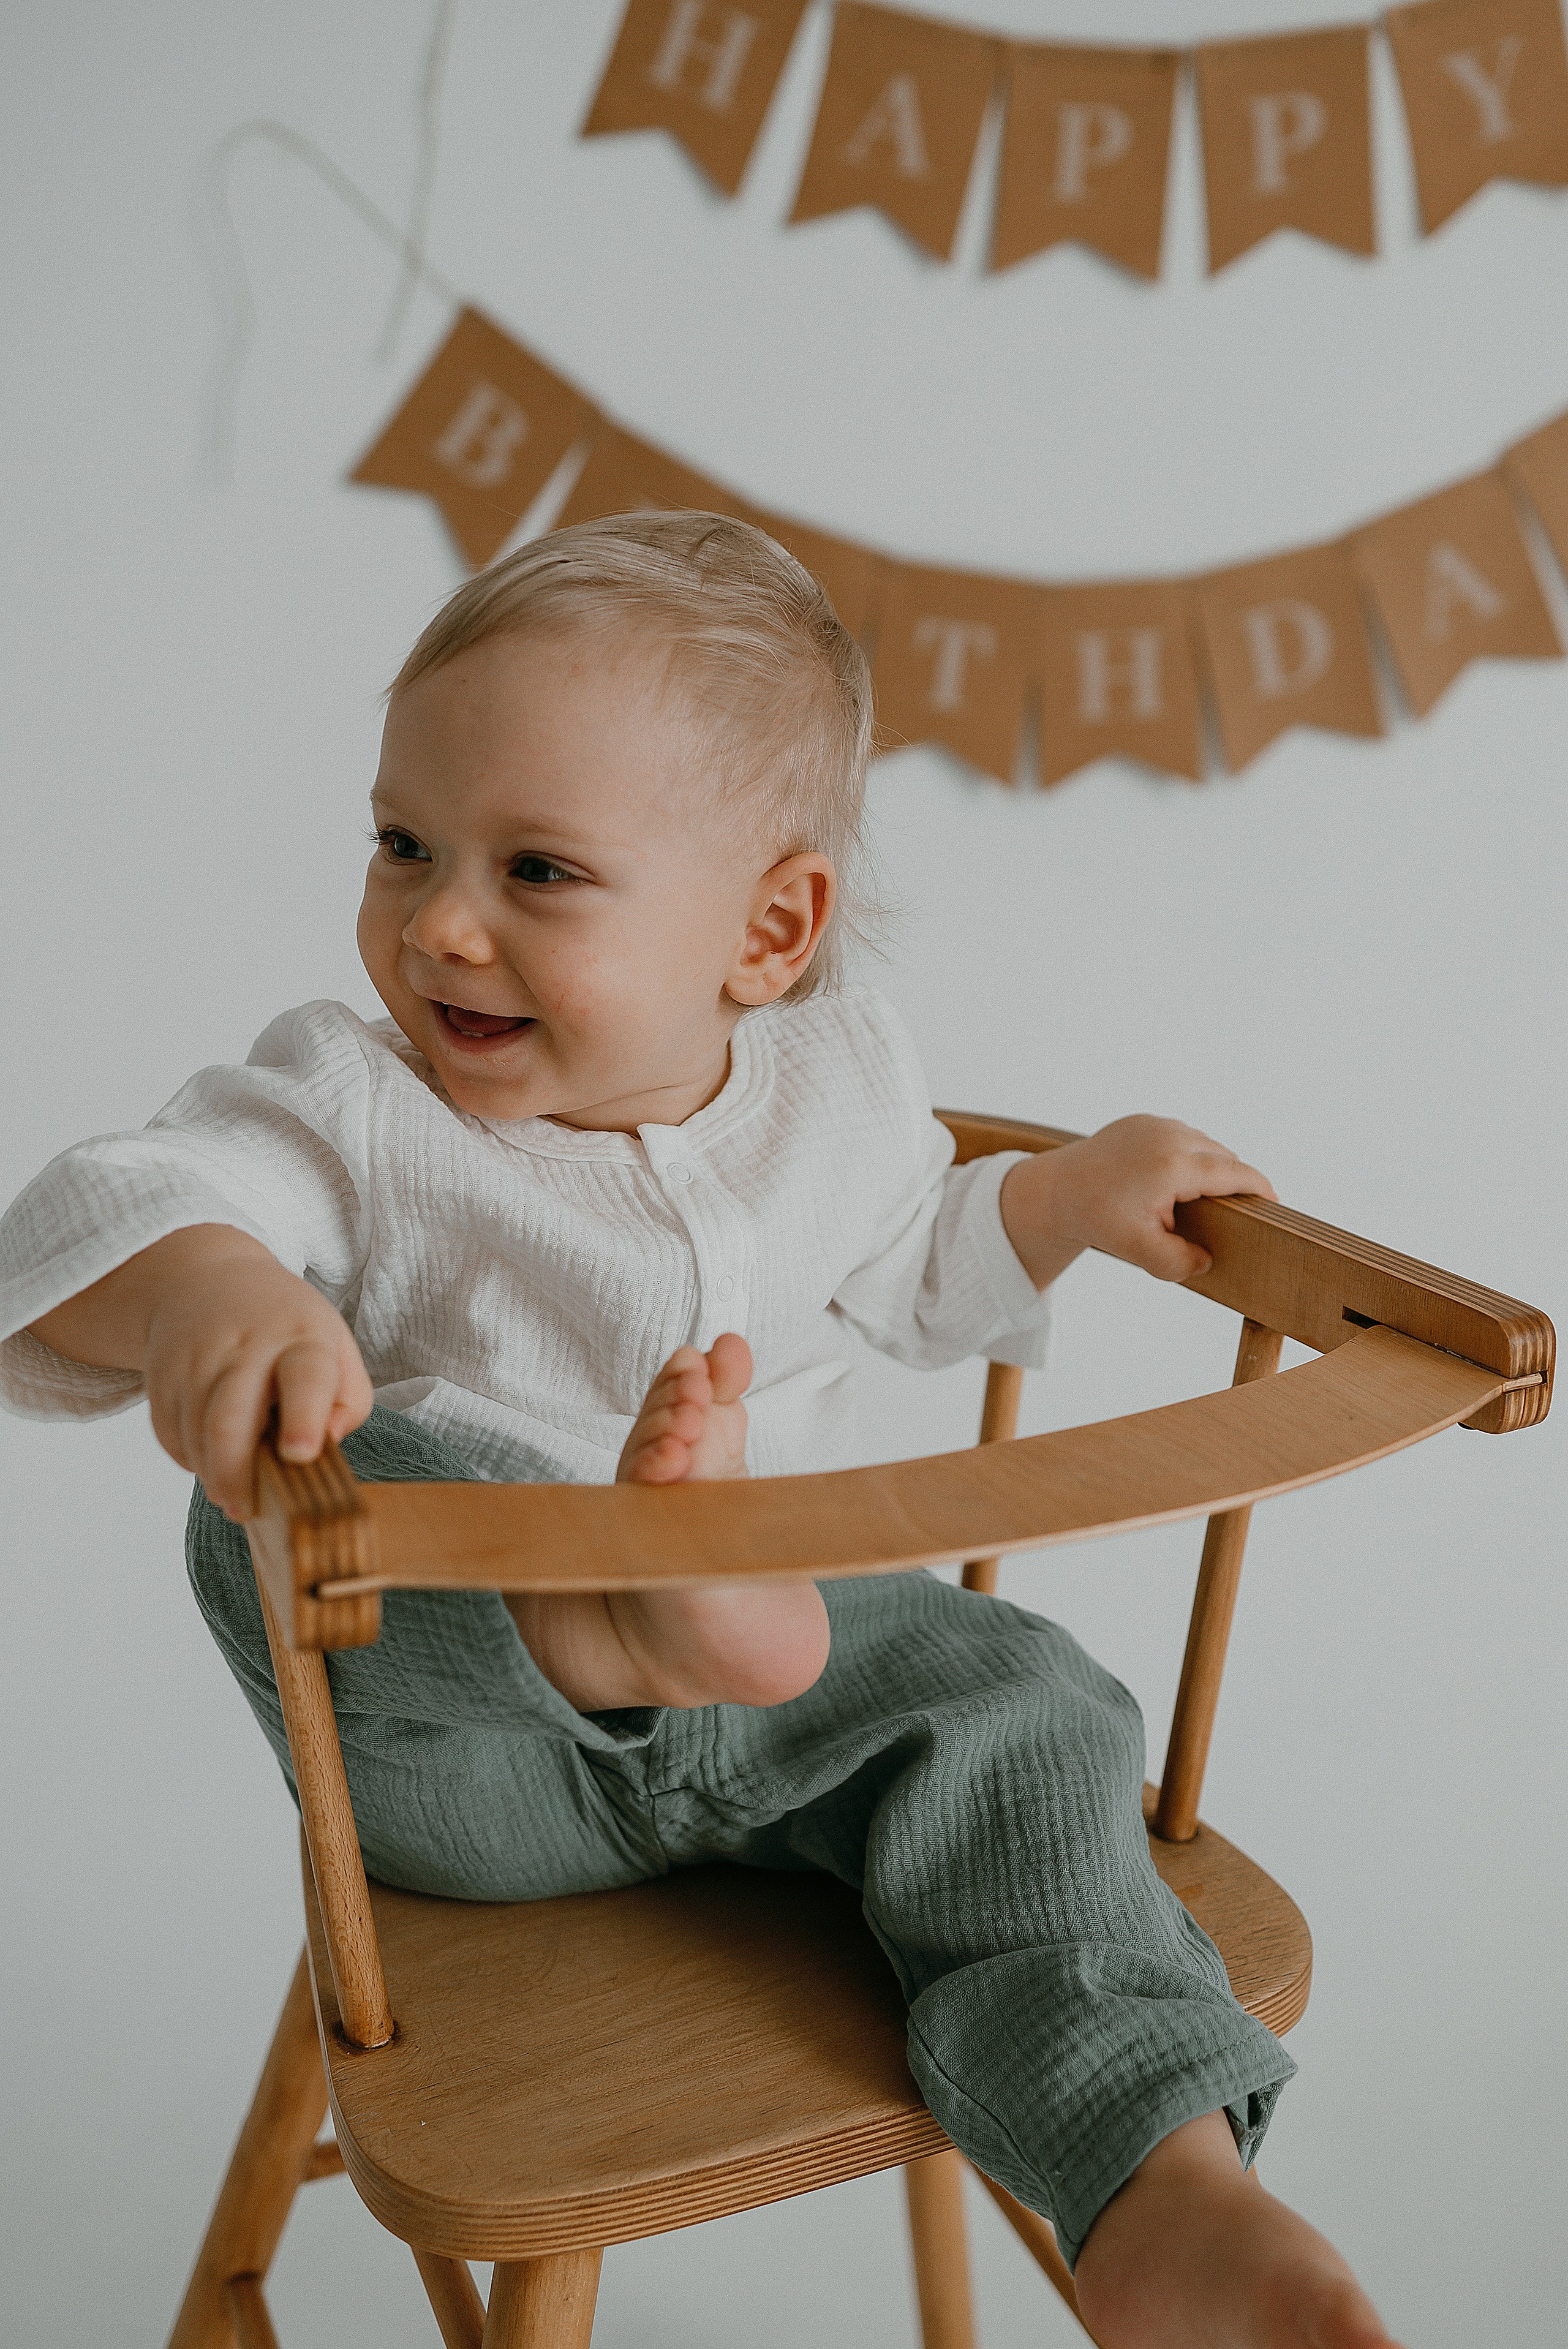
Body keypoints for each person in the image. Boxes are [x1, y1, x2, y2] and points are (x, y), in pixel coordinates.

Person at [0, 512, 1397, 2348]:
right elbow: (109, 1204)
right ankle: (599, 1604)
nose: (437, 920)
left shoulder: (838, 1089)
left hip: (790, 1674)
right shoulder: (356, 1106)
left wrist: (1055, 1199)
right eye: (403, 841)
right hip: (469, 1763)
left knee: (1026, 1701)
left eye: (539, 868)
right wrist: (202, 1287)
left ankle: (1159, 2176)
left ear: (769, 928)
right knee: (312, 1494)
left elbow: (908, 1256)